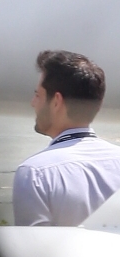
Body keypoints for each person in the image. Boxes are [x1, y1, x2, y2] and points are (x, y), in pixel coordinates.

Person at [13, 50, 120, 226]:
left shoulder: (34, 173)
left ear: (56, 101)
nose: (33, 102)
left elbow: (35, 248)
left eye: (38, 95)